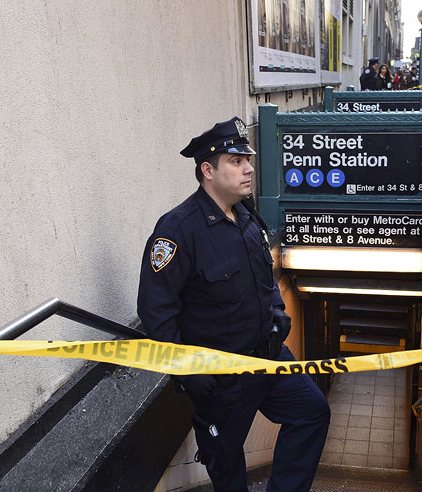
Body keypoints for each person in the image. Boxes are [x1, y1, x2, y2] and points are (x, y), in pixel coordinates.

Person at [137, 117, 330, 491]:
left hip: (267, 358)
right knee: (226, 464)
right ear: (207, 170)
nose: (249, 168)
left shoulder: (246, 215)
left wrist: (277, 312)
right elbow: (156, 312)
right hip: (221, 376)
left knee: (311, 412)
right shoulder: (177, 230)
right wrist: (187, 371)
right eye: (236, 161)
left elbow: (264, 273)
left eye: (248, 159)